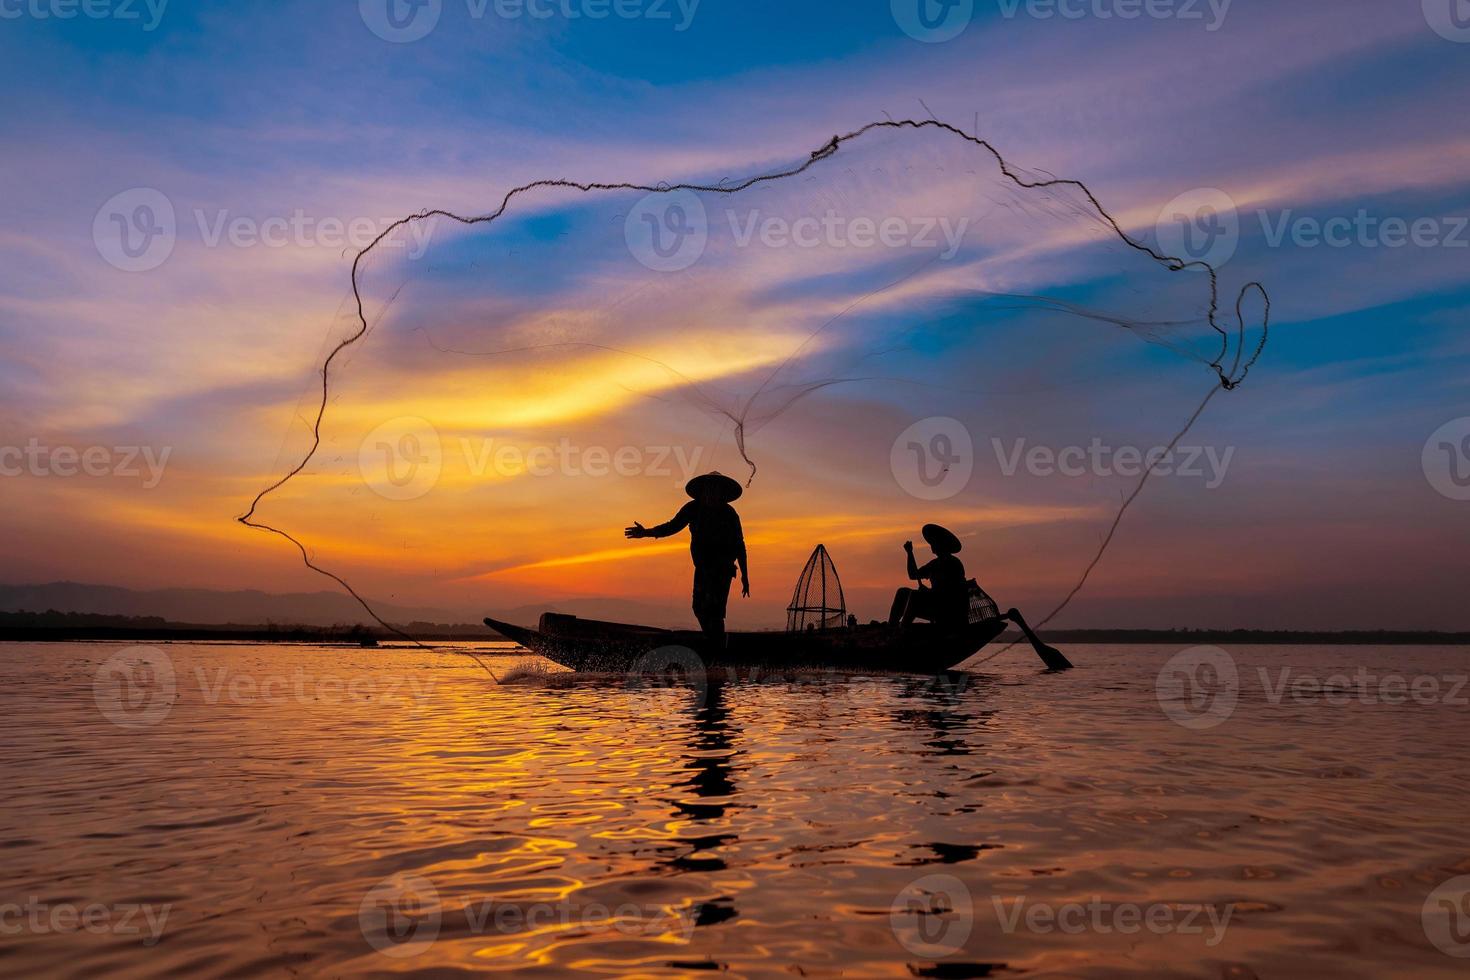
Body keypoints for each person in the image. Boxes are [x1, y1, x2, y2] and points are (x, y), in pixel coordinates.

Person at [625, 472, 749, 650]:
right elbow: (672, 526)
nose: (711, 493)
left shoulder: (729, 514)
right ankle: (715, 643)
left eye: (716, 489)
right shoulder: (693, 508)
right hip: (703, 568)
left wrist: (745, 575)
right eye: (708, 489)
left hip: (723, 569)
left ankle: (719, 648)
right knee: (698, 607)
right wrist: (646, 532)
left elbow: (739, 545)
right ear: (702, 491)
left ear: (722, 494)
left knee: (715, 611)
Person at [888, 523, 969, 629]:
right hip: (937, 604)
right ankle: (891, 626)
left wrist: (928, 593)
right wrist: (910, 553)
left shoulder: (953, 564)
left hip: (949, 610)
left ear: (941, 545)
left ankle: (903, 629)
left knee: (915, 597)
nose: (931, 546)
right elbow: (913, 575)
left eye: (934, 543)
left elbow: (949, 592)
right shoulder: (934, 564)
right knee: (902, 592)